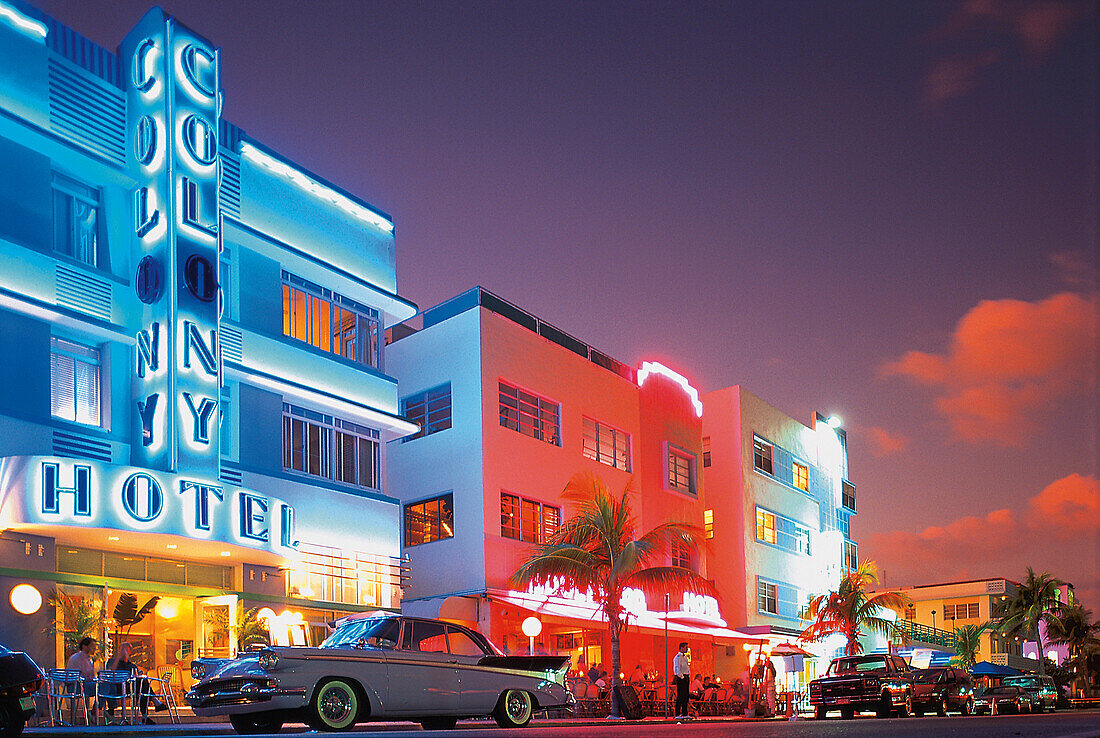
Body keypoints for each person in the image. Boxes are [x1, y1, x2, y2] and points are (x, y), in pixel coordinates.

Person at [106, 642, 166, 725]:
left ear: (130, 652)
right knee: (143, 685)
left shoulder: (131, 665)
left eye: (126, 650)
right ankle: (154, 703)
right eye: (122, 649)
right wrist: (118, 658)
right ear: (119, 651)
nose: (124, 652)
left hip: (130, 689)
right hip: (116, 688)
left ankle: (145, 716)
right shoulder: (112, 661)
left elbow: (137, 676)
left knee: (143, 687)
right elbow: (110, 671)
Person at [66, 637, 97, 717]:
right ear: (84, 646)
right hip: (76, 686)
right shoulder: (77, 658)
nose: (94, 648)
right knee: (103, 688)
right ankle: (93, 712)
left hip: (84, 684)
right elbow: (83, 675)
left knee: (105, 688)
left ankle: (92, 712)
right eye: (92, 646)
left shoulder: (89, 659)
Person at [672, 642, 691, 719]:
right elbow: (677, 668)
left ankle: (685, 712)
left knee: (686, 696)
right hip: (681, 678)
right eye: (686, 647)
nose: (687, 649)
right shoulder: (677, 657)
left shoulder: (685, 658)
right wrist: (681, 677)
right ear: (682, 648)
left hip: (686, 677)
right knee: (680, 696)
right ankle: (677, 714)